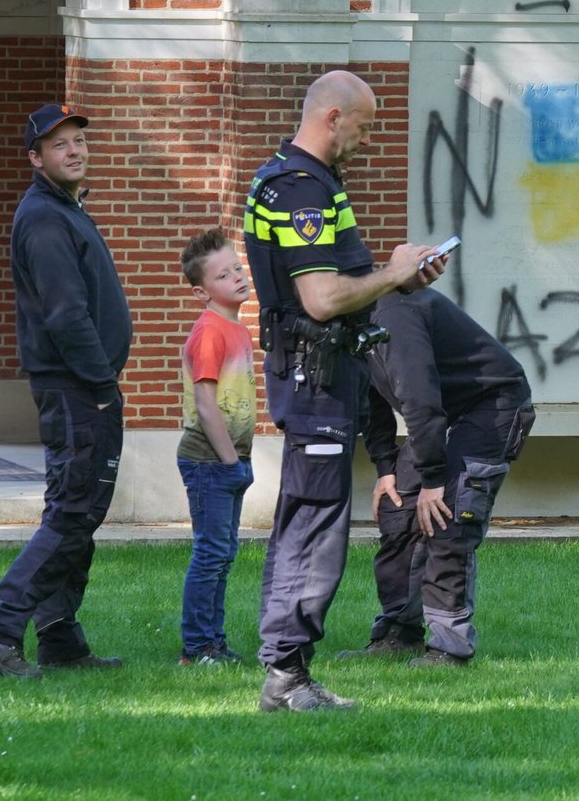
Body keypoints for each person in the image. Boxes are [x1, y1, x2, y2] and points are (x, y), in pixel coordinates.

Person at [244, 69, 445, 712]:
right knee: (314, 529)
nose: (368, 137)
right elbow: (324, 298)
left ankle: (286, 669)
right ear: (332, 116)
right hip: (315, 379)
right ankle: (286, 677)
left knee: (306, 522)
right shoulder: (300, 187)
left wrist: (401, 277)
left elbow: (346, 278)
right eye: (365, 124)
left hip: (321, 378)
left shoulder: (309, 180)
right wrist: (391, 273)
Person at [0, 104, 131, 678]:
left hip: (84, 388)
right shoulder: (43, 218)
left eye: (78, 139)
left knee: (80, 513)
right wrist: (104, 387)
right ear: (36, 159)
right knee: (72, 512)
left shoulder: (65, 210)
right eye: (59, 145)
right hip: (77, 390)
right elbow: (65, 315)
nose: (74, 150)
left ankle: (60, 637)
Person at [343, 287, 534, 667]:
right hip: (441, 416)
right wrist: (385, 469)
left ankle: (450, 646)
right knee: (399, 512)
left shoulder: (393, 314)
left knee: (449, 517)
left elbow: (418, 397)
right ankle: (399, 632)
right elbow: (371, 398)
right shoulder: (349, 325)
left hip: (490, 405)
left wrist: (433, 480)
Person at [174, 227, 258, 667]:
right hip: (209, 461)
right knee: (210, 554)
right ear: (200, 290)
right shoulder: (211, 332)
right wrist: (231, 462)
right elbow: (206, 406)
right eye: (224, 275)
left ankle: (214, 643)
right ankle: (197, 647)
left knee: (223, 555)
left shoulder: (236, 329)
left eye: (238, 269)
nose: (238, 278)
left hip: (228, 461)